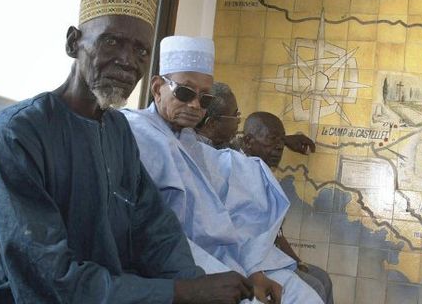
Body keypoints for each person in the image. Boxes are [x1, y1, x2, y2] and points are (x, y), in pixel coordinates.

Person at [0, 0, 253, 304]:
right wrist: (182, 292)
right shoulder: (17, 135)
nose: (127, 61)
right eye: (111, 42)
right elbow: (46, 279)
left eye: (141, 50)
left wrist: (196, 284)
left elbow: (155, 231)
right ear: (72, 43)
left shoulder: (118, 130)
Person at [123, 36, 323, 304]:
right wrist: (229, 275)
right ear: (158, 88)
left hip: (225, 257)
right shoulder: (136, 134)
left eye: (204, 98)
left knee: (304, 297)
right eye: (185, 92)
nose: (195, 105)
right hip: (179, 266)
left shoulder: (190, 143)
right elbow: (154, 234)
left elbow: (226, 211)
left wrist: (252, 271)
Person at [240, 112, 334, 304]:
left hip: (270, 258)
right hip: (248, 262)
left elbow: (277, 233)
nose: (279, 148)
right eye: (272, 140)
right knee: (314, 286)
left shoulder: (262, 170)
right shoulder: (237, 170)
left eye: (281, 142)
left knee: (322, 278)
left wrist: (298, 261)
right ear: (248, 141)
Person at [196, 82, 316, 154]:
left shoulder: (222, 143)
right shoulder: (197, 153)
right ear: (212, 124)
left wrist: (282, 139)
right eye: (234, 115)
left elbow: (245, 142)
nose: (238, 120)